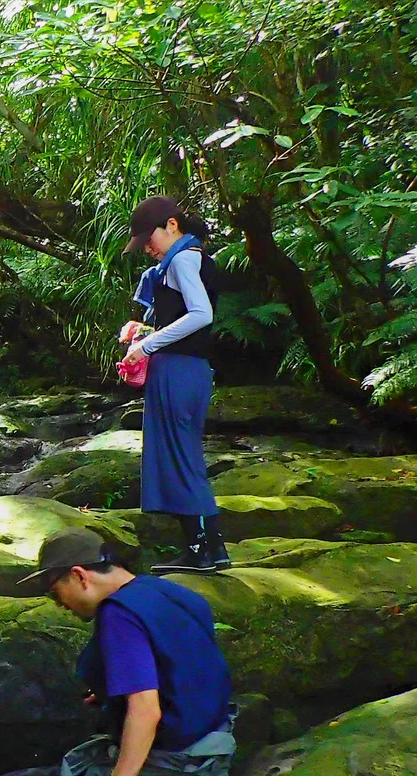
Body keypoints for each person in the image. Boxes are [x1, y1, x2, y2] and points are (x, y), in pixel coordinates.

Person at [0, 527, 236, 776]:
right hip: (213, 757)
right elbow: (189, 669)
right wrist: (111, 694)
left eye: (54, 591)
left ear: (79, 576)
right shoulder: (171, 592)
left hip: (168, 773)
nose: (60, 604)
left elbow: (146, 711)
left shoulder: (118, 615)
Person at [123, 195, 229, 573]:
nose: (148, 248)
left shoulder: (184, 258)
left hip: (179, 371)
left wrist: (145, 346)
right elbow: (184, 319)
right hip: (187, 368)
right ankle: (210, 549)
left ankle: (201, 551)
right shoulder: (190, 258)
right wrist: (145, 331)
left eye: (150, 238)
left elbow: (201, 315)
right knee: (181, 456)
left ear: (172, 225)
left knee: (182, 459)